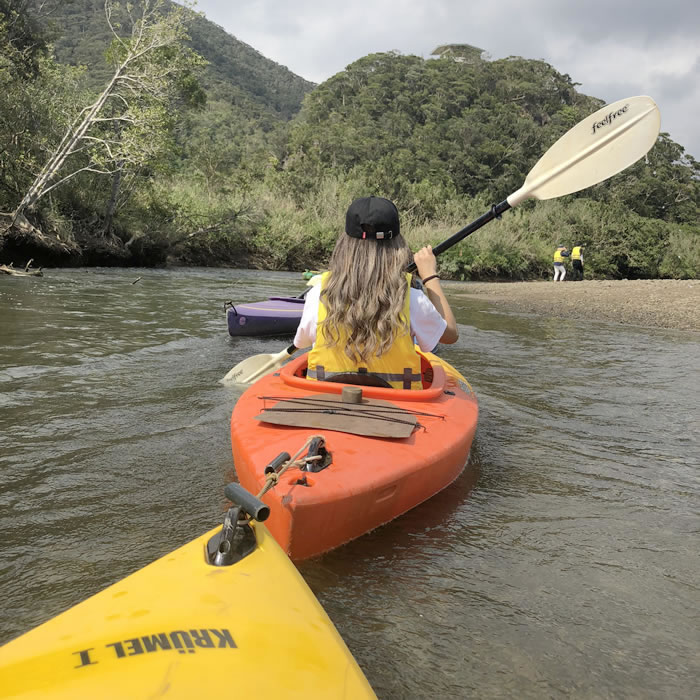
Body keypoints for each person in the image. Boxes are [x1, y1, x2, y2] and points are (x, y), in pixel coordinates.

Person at [293, 196, 458, 390]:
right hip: (400, 406)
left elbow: (302, 342)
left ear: (344, 246)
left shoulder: (319, 293)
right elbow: (450, 335)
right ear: (398, 247)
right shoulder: (411, 298)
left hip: (326, 400)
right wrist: (430, 276)